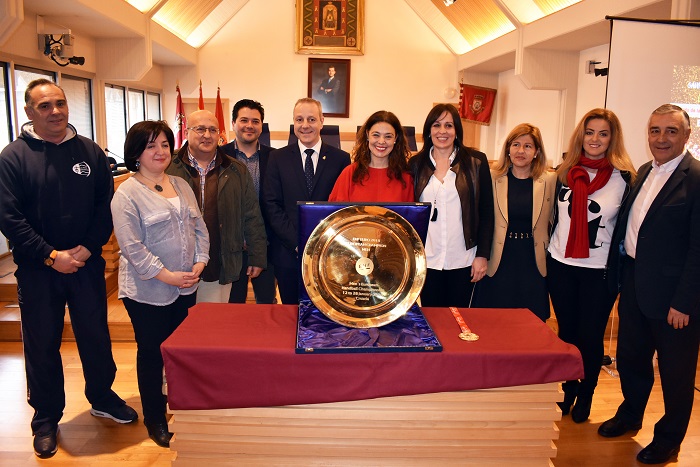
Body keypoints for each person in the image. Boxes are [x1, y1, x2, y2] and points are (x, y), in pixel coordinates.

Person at [0, 79, 137, 458]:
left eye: (60, 103)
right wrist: (50, 255)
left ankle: (103, 396)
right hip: (38, 271)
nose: (55, 111)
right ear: (29, 112)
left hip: (85, 265)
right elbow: (9, 218)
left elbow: (103, 205)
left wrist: (87, 249)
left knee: (95, 336)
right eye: (45, 106)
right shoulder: (12, 158)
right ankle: (45, 419)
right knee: (42, 345)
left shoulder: (89, 152)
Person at [598, 104, 700, 465]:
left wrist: (685, 302)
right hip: (636, 285)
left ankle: (670, 440)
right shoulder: (643, 171)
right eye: (655, 130)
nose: (661, 138)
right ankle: (630, 416)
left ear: (687, 136)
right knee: (631, 358)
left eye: (671, 131)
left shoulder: (696, 178)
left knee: (675, 373)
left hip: (675, 299)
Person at [111, 121, 209, 447]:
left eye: (165, 144)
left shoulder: (181, 184)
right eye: (151, 145)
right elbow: (132, 248)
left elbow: (199, 228)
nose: (160, 152)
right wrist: (166, 275)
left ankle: (177, 406)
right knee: (152, 353)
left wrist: (201, 261)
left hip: (186, 284)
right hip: (148, 290)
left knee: (177, 351)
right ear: (136, 153)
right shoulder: (126, 193)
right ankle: (155, 418)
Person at [547, 108, 636, 424]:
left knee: (590, 335)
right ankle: (566, 392)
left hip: (599, 272)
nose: (595, 139)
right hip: (560, 265)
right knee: (567, 332)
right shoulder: (563, 173)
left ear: (613, 138)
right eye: (590, 132)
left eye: (603, 133)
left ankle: (586, 395)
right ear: (580, 136)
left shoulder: (625, 179)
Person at [167, 109, 267, 303]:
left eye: (213, 130)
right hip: (175, 265)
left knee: (212, 322)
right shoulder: (169, 166)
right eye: (200, 129)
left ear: (220, 134)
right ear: (187, 131)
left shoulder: (236, 170)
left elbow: (252, 215)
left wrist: (257, 256)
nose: (207, 135)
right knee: (178, 326)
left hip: (220, 261)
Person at [264, 98, 350, 304]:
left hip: (328, 254)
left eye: (311, 119)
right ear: (293, 123)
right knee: (291, 313)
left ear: (322, 121)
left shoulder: (341, 159)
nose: (305, 125)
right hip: (288, 254)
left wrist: (321, 243)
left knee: (326, 313)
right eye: (299, 119)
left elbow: (343, 206)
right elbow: (271, 204)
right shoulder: (277, 158)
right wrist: (297, 242)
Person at [409, 103, 494, 307]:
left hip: (464, 258)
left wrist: (482, 255)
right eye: (437, 125)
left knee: (461, 319)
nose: (442, 131)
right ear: (429, 130)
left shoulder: (476, 162)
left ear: (457, 131)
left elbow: (487, 212)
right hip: (427, 259)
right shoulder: (415, 164)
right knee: (433, 319)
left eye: (449, 125)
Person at [472, 124, 556, 321]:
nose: (520, 151)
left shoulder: (550, 180)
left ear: (537, 152)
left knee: (531, 323)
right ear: (508, 149)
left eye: (528, 146)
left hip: (532, 260)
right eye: (516, 144)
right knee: (492, 321)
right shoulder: (492, 178)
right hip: (499, 257)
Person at [221, 99, 277, 304]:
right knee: (233, 305)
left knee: (266, 304)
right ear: (233, 123)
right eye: (244, 120)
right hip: (230, 247)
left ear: (262, 125)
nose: (249, 125)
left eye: (256, 121)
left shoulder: (276, 158)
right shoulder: (219, 157)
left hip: (266, 244)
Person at [329, 110, 414, 202]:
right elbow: (335, 213)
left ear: (396, 138)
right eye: (376, 135)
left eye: (388, 136)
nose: (381, 141)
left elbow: (410, 215)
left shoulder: (406, 178)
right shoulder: (349, 174)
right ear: (367, 135)